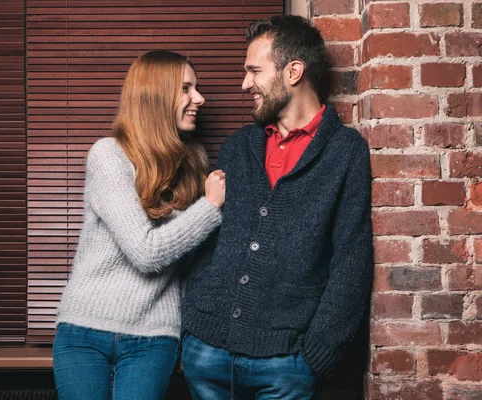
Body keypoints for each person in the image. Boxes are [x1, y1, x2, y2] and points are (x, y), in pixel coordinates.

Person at [181, 15, 373, 399]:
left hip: (286, 365)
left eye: (255, 71)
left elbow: (351, 260)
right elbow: (207, 241)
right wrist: (193, 322)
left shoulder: (344, 151)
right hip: (205, 352)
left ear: (293, 71)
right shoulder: (238, 148)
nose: (244, 83)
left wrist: (316, 355)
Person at [52, 50, 226, 400]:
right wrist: (209, 208)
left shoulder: (194, 167)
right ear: (157, 96)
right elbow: (145, 251)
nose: (199, 99)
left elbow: (193, 263)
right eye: (187, 89)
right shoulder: (108, 155)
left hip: (154, 336)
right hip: (84, 332)